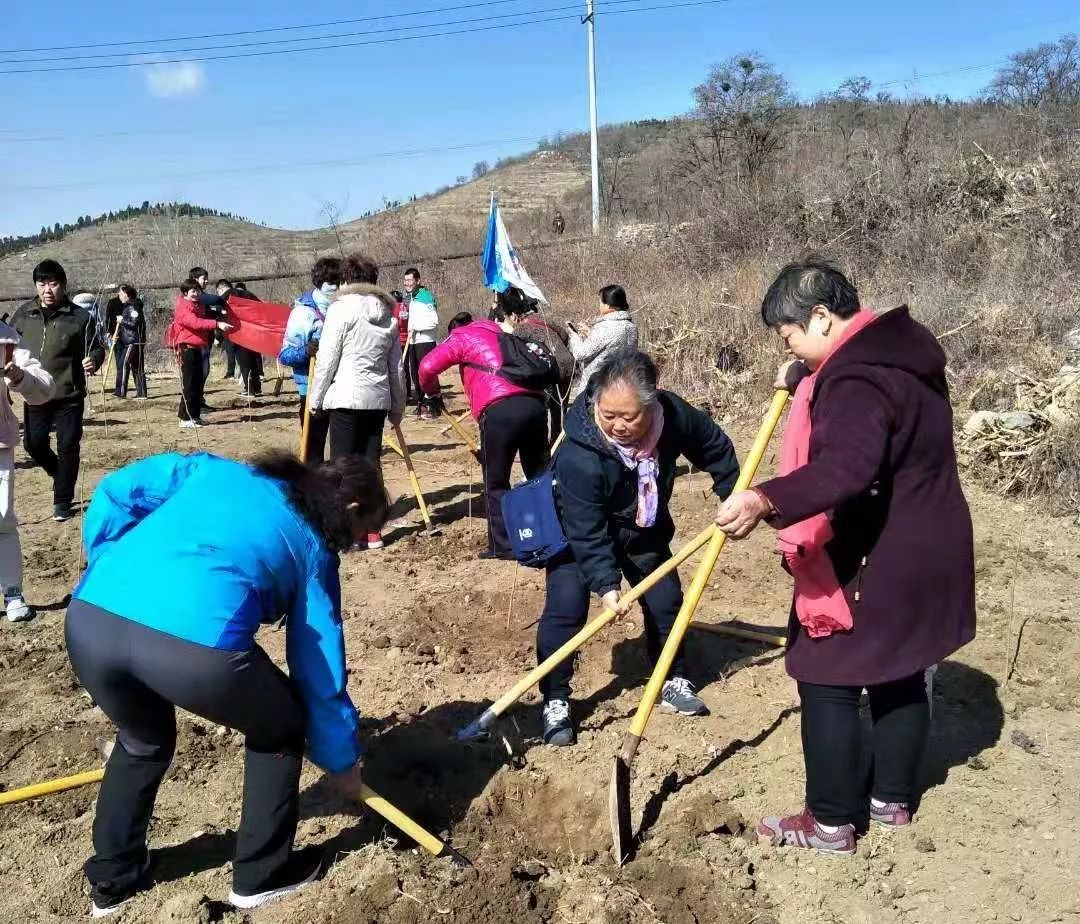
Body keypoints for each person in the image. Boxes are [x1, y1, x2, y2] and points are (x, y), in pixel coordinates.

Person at [715, 258, 976, 856]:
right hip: (930, 543)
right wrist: (808, 374)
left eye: (790, 336)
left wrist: (765, 498)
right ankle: (891, 799)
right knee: (904, 667)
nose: (792, 349)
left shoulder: (856, 380)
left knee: (824, 673)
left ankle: (830, 821)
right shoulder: (900, 358)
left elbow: (846, 468)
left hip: (881, 550)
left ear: (822, 317)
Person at [65, 449, 389, 916]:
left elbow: (117, 489)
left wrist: (108, 565)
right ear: (352, 511)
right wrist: (340, 759)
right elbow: (317, 666)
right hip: (194, 648)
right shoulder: (313, 546)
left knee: (142, 739)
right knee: (281, 723)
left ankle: (114, 879)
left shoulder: (215, 470)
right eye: (361, 536)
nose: (355, 546)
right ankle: (262, 872)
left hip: (90, 619)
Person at [537, 350, 739, 745]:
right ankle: (555, 699)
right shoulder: (580, 454)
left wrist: (732, 494)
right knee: (566, 610)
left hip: (642, 529)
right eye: (608, 415)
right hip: (577, 537)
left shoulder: (672, 417)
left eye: (629, 417)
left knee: (667, 603)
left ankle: (672, 678)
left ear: (652, 403)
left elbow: (713, 445)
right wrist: (607, 584)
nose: (618, 426)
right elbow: (586, 528)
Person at [419, 311, 549, 559]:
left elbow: (427, 366)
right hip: (535, 405)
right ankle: (549, 535)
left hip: (500, 409)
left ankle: (503, 546)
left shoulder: (461, 336)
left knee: (496, 481)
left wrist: (432, 394)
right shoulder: (503, 332)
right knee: (539, 478)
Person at [308, 254, 404, 552]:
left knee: (342, 466)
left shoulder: (340, 310)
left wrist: (316, 398)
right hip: (377, 400)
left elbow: (327, 358)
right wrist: (398, 407)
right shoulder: (388, 315)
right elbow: (396, 368)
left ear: (348, 279)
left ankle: (345, 532)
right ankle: (373, 531)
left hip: (346, 398)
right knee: (370, 464)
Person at [11, 260, 106, 522]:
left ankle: (63, 500)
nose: (47, 290)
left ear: (63, 286)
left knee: (68, 446)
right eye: (42, 284)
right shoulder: (24, 314)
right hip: (35, 391)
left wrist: (94, 359)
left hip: (69, 393)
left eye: (53, 284)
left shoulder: (79, 317)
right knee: (33, 443)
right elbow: (7, 343)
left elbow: (97, 347)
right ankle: (59, 474)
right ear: (36, 286)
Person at [0, 320, 54, 622]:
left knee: (2, 518)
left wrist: (20, 377)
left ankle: (12, 591)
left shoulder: (6, 340)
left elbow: (45, 388)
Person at [279, 257, 343, 465]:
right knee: (313, 450)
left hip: (340, 388)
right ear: (320, 283)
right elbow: (285, 354)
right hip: (311, 387)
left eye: (340, 281)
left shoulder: (344, 308)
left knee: (341, 450)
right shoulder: (303, 313)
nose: (336, 287)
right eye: (331, 282)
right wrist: (306, 351)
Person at [490, 286, 573, 446]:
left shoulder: (520, 332)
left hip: (551, 373)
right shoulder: (543, 319)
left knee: (542, 412)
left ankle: (549, 451)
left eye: (506, 317)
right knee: (559, 413)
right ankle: (559, 445)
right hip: (567, 366)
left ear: (513, 315)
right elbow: (563, 333)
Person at [169, 279, 232, 429]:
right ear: (185, 293)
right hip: (187, 348)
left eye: (198, 291)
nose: (196, 293)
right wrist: (217, 324)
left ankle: (195, 416)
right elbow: (195, 323)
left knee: (198, 384)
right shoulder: (182, 308)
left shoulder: (199, 306)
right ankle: (185, 418)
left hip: (198, 347)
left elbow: (208, 315)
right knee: (189, 384)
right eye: (193, 291)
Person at [567, 284, 638, 401]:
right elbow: (613, 344)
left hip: (597, 387)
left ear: (609, 305)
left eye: (601, 302)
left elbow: (580, 353)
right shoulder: (631, 326)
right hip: (621, 383)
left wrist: (573, 335)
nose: (599, 305)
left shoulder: (605, 327)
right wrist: (591, 333)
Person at [402, 267, 440, 420]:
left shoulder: (425, 297)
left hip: (425, 341)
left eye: (410, 280)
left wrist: (416, 327)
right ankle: (420, 404)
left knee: (426, 374)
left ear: (418, 281)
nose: (407, 283)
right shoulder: (411, 298)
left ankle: (432, 405)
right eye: (405, 281)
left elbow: (434, 321)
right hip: (413, 341)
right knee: (415, 374)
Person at [216, 279, 262, 398]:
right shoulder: (249, 294)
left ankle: (249, 389)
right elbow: (260, 306)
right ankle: (256, 388)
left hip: (239, 334)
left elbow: (223, 316)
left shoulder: (226, 297)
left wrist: (218, 336)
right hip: (253, 331)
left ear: (221, 288)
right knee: (253, 360)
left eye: (218, 291)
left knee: (244, 362)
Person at [113, 285, 148, 399]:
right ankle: (141, 393)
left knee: (123, 364)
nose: (119, 296)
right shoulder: (130, 307)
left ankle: (120, 392)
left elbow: (134, 324)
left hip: (132, 341)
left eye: (121, 294)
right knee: (137, 367)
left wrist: (122, 320)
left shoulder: (133, 308)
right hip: (133, 340)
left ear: (128, 295)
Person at [390, 289, 411, 404]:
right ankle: (408, 393)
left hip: (397, 341)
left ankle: (400, 394)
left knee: (397, 368)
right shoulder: (407, 308)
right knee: (406, 367)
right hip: (407, 340)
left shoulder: (392, 309)